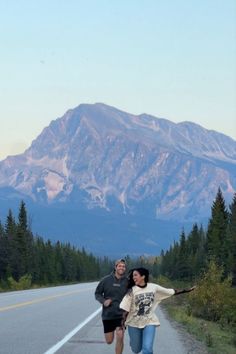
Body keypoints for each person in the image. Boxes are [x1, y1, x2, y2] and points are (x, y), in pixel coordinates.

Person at [120, 267, 196, 354]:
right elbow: (124, 309)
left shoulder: (153, 287)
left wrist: (186, 290)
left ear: (143, 276)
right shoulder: (131, 291)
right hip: (133, 323)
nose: (133, 277)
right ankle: (134, 342)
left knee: (147, 349)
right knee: (136, 349)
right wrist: (122, 323)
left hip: (149, 321)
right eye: (133, 276)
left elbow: (170, 291)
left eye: (135, 275)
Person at [95, 258, 128, 354]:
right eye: (120, 266)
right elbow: (97, 293)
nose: (122, 268)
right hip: (108, 315)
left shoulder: (127, 281)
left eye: (123, 266)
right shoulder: (106, 280)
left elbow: (132, 294)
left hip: (121, 315)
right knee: (109, 341)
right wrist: (104, 301)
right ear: (115, 267)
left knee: (120, 335)